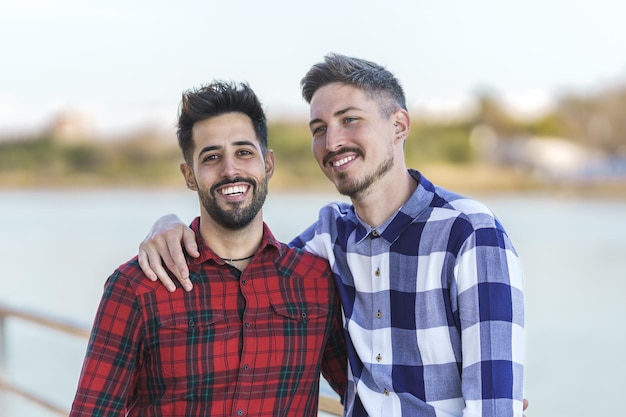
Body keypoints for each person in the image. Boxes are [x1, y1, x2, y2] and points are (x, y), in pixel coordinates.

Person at [139, 54, 526, 417]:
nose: (332, 142)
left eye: (350, 119)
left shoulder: (470, 232)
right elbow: (244, 264)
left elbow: (493, 405)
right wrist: (168, 224)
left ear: (399, 125)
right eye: (319, 129)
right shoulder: (329, 237)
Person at [70, 81, 347, 417]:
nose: (230, 170)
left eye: (244, 152)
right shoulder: (137, 287)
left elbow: (363, 389)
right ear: (189, 175)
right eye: (212, 157)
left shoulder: (315, 281)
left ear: (268, 164)